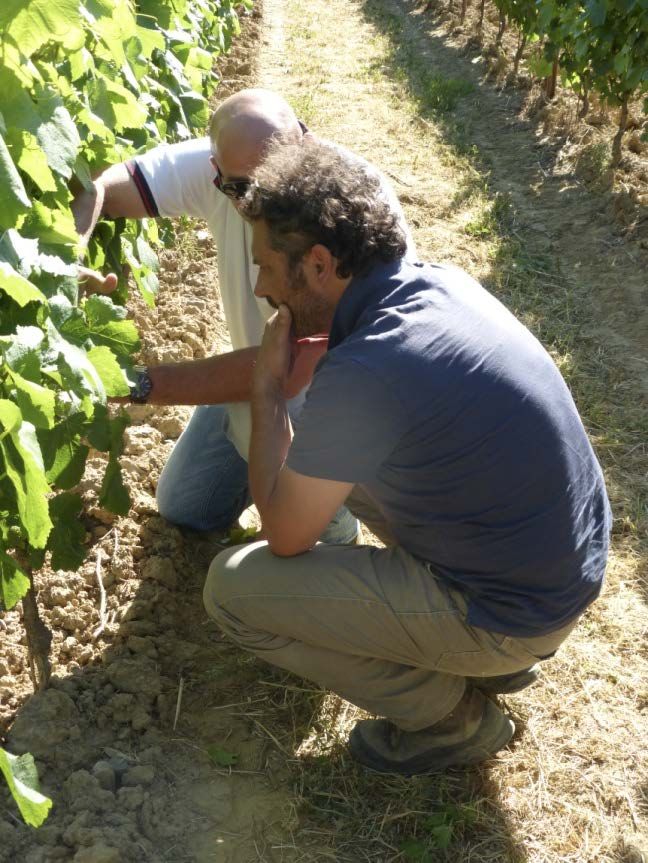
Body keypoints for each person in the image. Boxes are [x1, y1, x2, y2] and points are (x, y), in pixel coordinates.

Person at [202, 137, 611, 775]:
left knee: (232, 589)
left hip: (515, 611)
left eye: (265, 266)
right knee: (338, 462)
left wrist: (267, 391)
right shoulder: (435, 286)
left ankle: (451, 718)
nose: (259, 286)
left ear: (316, 264)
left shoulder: (369, 366)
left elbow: (283, 534)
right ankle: (485, 654)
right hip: (557, 571)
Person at [72, 88, 416, 541]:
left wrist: (135, 383)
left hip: (326, 404)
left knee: (312, 543)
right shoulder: (227, 168)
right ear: (217, 172)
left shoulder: (355, 212)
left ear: (304, 147)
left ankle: (333, 514)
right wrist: (68, 249)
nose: (261, 203)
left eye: (273, 183)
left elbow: (290, 368)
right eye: (243, 189)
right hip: (257, 373)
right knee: (185, 505)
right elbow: (107, 185)